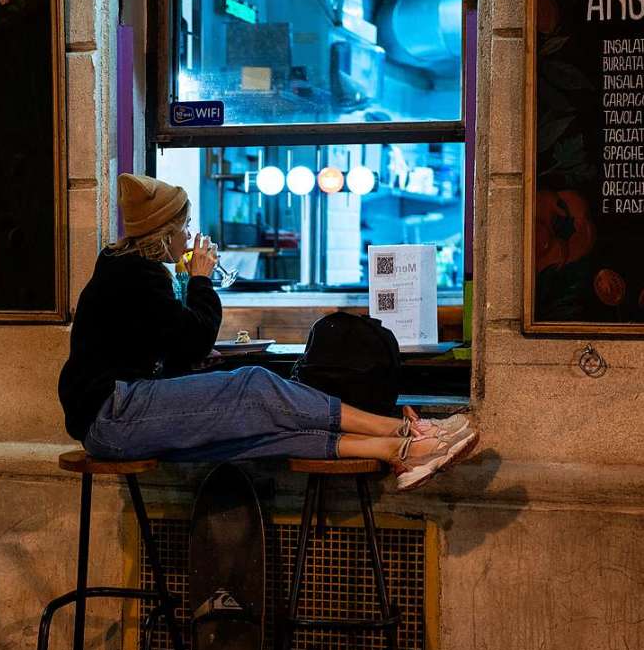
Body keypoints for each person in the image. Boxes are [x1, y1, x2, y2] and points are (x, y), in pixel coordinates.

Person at [58, 173, 478, 490]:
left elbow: (157, 345)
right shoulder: (135, 274)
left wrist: (191, 361)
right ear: (166, 232)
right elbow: (193, 336)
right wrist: (201, 280)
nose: (189, 235)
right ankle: (401, 429)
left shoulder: (126, 274)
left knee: (259, 427)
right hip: (113, 416)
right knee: (256, 385)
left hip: (120, 415)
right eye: (184, 226)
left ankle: (400, 452)